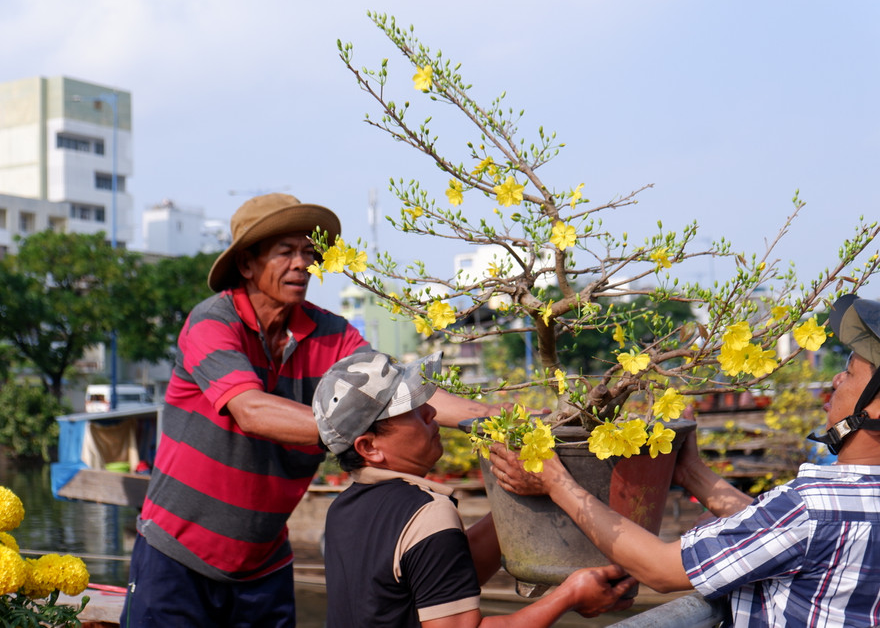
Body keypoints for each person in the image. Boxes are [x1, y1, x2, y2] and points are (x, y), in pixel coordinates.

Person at [121, 193, 497, 627]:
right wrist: (359, 432)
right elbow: (251, 410)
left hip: (263, 562)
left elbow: (397, 391)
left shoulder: (332, 334)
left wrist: (495, 418)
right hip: (176, 554)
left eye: (308, 252)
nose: (302, 263)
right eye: (285, 252)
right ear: (247, 264)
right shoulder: (212, 322)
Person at [490, 293, 880, 628]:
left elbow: (660, 569)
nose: (835, 380)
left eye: (849, 371)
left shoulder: (809, 507)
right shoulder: (826, 507)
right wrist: (692, 472)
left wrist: (556, 483)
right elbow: (788, 534)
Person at [312, 349, 637, 627]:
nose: (431, 411)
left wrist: (534, 486)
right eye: (410, 409)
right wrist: (570, 594)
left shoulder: (341, 510)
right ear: (369, 447)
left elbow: (437, 581)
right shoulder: (426, 514)